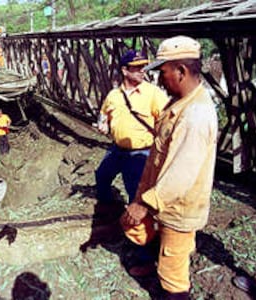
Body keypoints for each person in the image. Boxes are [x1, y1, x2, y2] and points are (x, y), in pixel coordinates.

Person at [120, 36, 218, 299]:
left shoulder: (195, 115)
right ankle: (153, 262)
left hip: (178, 207)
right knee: (144, 235)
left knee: (172, 273)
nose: (160, 80)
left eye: (163, 72)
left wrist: (144, 204)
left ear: (181, 71)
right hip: (165, 201)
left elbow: (180, 176)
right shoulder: (179, 102)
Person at [95, 50, 169, 212]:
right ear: (124, 70)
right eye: (137, 67)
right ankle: (107, 209)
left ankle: (136, 229)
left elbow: (167, 122)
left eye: (143, 66)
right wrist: (104, 125)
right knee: (102, 175)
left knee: (135, 189)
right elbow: (103, 114)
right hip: (117, 149)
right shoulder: (114, 95)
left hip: (141, 152)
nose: (143, 70)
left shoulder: (153, 93)